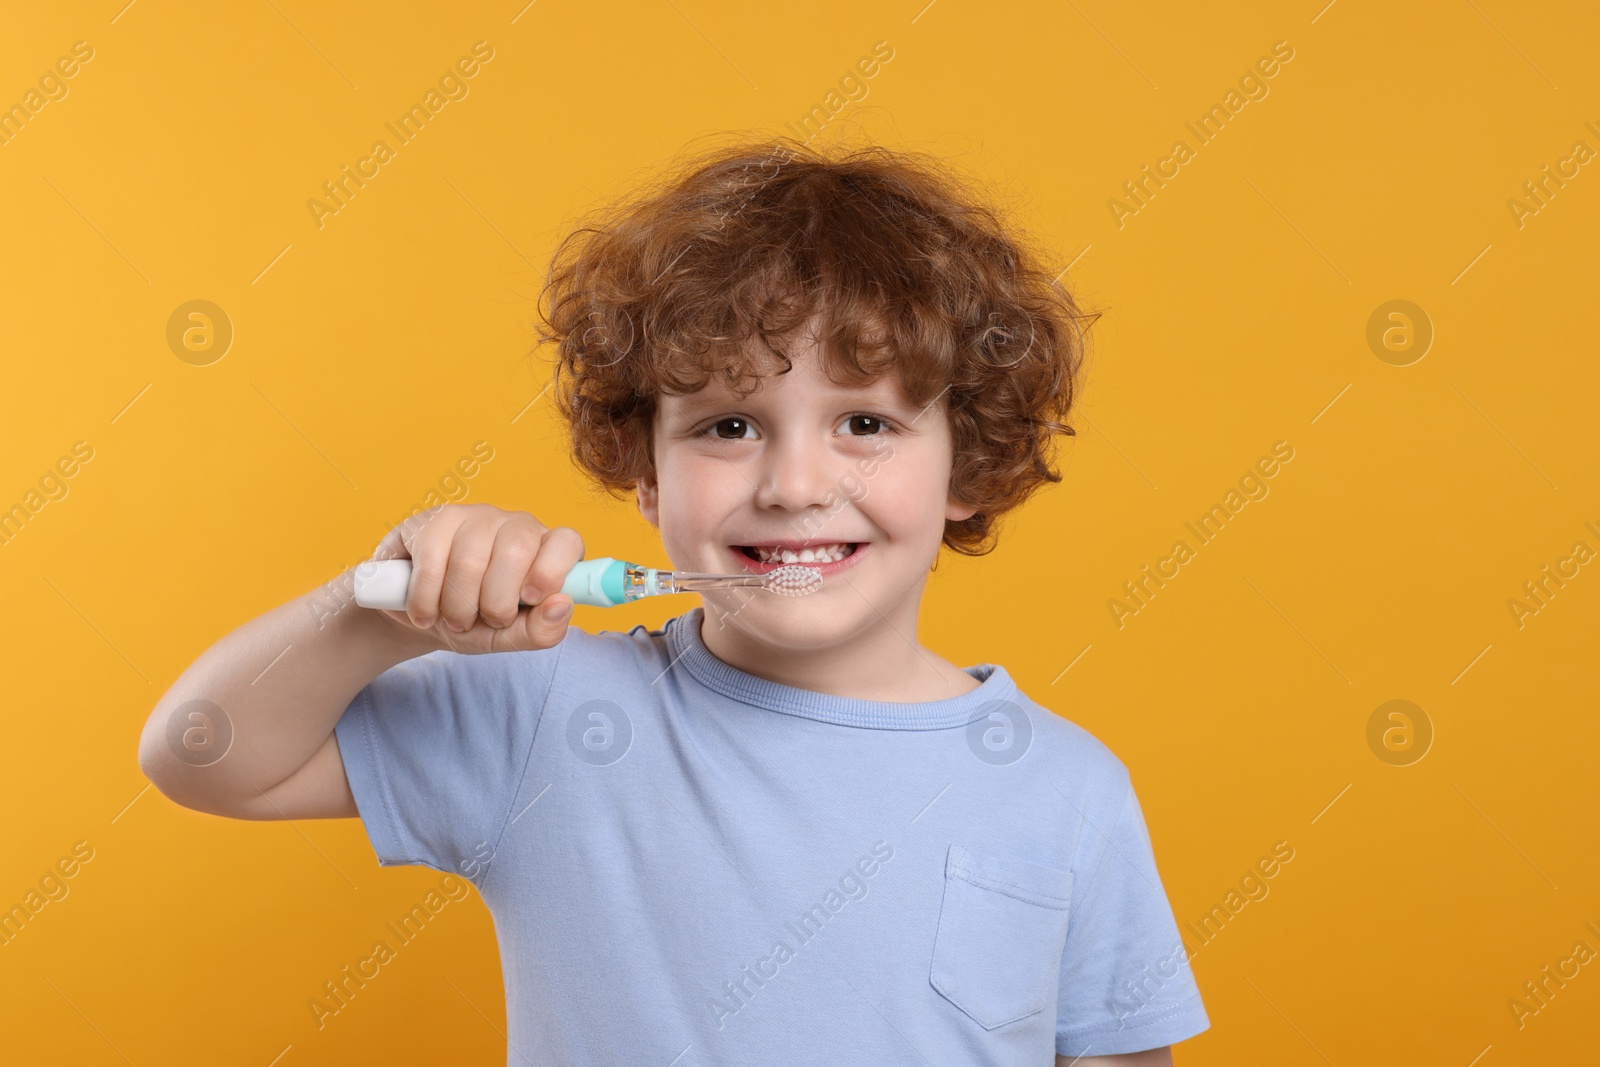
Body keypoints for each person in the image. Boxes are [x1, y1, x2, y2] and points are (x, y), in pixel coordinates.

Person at [139, 135, 1209, 1066]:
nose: (794, 484)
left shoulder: (1064, 788)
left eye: (866, 425)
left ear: (965, 466)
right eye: (729, 426)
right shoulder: (541, 717)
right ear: (643, 474)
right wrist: (373, 611)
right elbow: (197, 750)